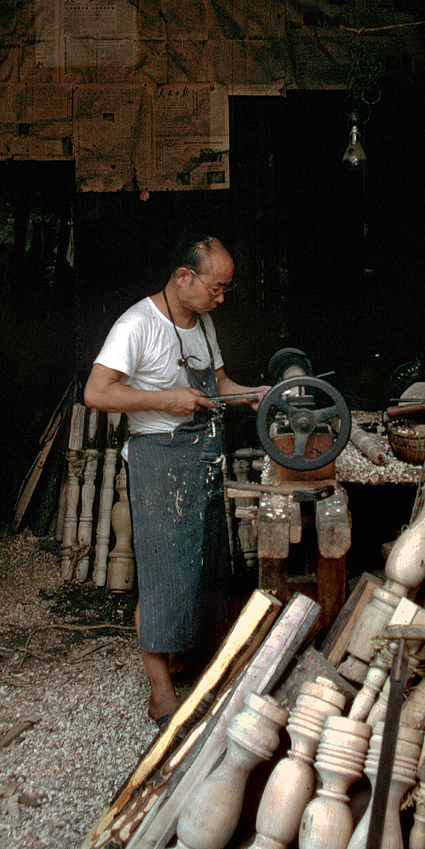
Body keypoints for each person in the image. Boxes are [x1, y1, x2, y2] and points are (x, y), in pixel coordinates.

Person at [83, 233, 267, 725]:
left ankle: (185, 657)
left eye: (225, 289)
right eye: (216, 287)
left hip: (204, 454)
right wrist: (166, 399)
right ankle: (160, 692)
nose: (221, 298)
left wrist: (251, 393)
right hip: (159, 459)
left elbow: (220, 384)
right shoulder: (136, 324)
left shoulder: (202, 323)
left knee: (203, 569)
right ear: (183, 277)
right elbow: (97, 393)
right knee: (164, 577)